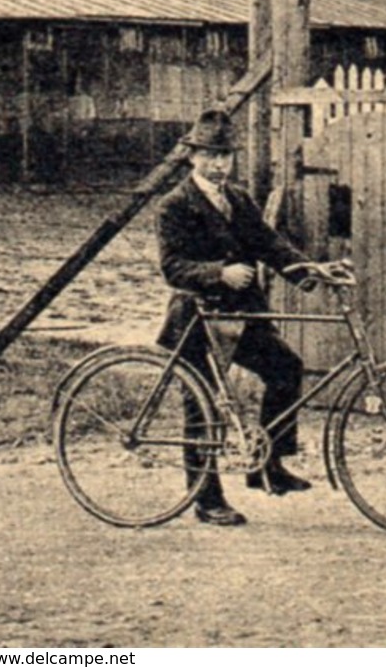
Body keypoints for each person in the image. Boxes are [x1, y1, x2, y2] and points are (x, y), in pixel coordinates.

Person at [155, 109, 350, 527]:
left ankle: (267, 465)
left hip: (242, 315)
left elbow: (270, 245)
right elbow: (172, 267)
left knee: (286, 368)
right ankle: (207, 500)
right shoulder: (174, 205)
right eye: (210, 154)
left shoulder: (238, 198)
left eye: (225, 155)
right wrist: (217, 273)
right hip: (198, 319)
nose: (219, 163)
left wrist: (312, 271)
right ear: (193, 157)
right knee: (202, 407)